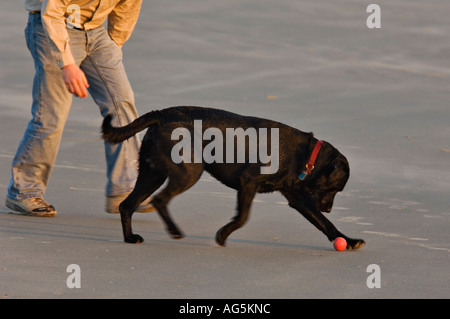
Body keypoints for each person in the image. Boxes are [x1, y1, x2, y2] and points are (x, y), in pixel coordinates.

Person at [6, 0, 154, 216]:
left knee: (122, 105)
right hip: (51, 26)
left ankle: (124, 190)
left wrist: (114, 44)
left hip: (95, 32)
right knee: (51, 115)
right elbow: (53, 12)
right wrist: (67, 64)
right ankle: (23, 191)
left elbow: (127, 7)